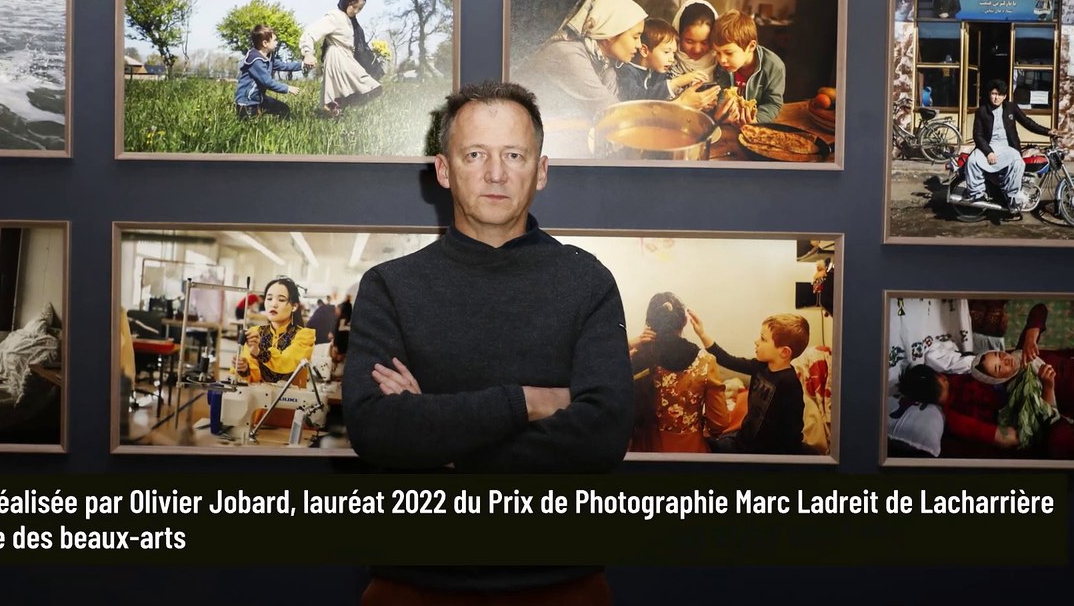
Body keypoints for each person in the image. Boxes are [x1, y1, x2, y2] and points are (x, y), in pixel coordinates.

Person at [342, 80, 633, 603]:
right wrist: (531, 402)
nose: (495, 173)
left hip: (564, 587)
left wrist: (441, 449)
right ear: (444, 169)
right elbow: (376, 430)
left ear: (540, 171)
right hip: (412, 587)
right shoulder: (389, 286)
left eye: (514, 155)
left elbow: (604, 435)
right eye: (475, 154)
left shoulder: (587, 282)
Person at [898, 303, 1074, 459]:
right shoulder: (967, 405)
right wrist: (1043, 392)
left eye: (1000, 356)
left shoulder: (1011, 359)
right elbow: (1015, 436)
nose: (1004, 359)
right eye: (998, 366)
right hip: (1062, 405)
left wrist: (1030, 337)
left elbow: (1039, 310)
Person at [691, 309, 808, 454]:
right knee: (702, 445)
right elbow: (727, 360)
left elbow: (793, 431)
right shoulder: (760, 366)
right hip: (744, 440)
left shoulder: (789, 383)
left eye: (763, 339)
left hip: (762, 453)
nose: (756, 342)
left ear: (784, 352)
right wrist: (702, 334)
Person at [521, 0, 647, 121]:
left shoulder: (603, 60)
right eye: (635, 37)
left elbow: (613, 104)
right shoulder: (567, 54)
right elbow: (607, 108)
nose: (639, 45)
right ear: (610, 32)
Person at [629, 292, 728, 453]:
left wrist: (630, 345)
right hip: (689, 454)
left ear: (650, 324)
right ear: (683, 322)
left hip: (645, 453)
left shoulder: (638, 358)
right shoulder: (705, 362)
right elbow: (720, 422)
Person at [964, 78, 1051, 214]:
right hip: (988, 147)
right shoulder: (981, 111)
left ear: (1004, 96)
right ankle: (977, 194)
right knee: (972, 161)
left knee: (1018, 163)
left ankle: (1012, 197)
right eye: (993, 93)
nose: (996, 97)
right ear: (989, 94)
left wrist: (1048, 132)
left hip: (1008, 148)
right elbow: (978, 136)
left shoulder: (1010, 107)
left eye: (999, 94)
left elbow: (1028, 123)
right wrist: (988, 152)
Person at [299, 0, 382, 117]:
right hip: (337, 57)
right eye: (354, 7)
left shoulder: (352, 22)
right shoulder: (335, 16)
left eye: (359, 9)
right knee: (367, 88)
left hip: (348, 58)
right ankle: (334, 110)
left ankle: (336, 109)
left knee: (373, 89)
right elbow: (311, 31)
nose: (355, 11)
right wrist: (308, 53)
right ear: (347, 1)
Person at [614, 18, 720, 112]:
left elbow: (665, 102)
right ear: (644, 50)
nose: (671, 59)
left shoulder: (657, 70)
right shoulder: (625, 71)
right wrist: (676, 82)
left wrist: (698, 102)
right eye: (666, 52)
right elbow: (638, 100)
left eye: (673, 53)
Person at [711, 9, 786, 125]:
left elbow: (773, 103)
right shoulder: (723, 66)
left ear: (751, 46)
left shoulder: (774, 66)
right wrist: (721, 114)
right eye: (717, 52)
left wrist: (757, 119)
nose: (722, 60)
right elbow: (722, 93)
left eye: (729, 53)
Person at [235, 277, 315, 384]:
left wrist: (259, 352)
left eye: (281, 300)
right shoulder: (255, 333)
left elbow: (286, 362)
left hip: (292, 398)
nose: (273, 304)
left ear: (294, 306)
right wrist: (244, 369)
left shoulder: (304, 336)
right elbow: (254, 376)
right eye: (269, 298)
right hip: (261, 396)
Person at [234, 24, 304, 118]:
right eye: (274, 40)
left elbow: (284, 66)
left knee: (283, 109)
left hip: (259, 99)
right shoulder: (256, 61)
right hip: (247, 103)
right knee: (253, 128)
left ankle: (281, 129)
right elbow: (268, 82)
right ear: (265, 43)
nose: (277, 43)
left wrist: (304, 65)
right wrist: (287, 88)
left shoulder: (269, 58)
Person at [667, 0, 718, 86]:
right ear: (678, 35)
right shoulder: (666, 63)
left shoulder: (723, 64)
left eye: (705, 42)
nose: (697, 50)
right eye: (689, 41)